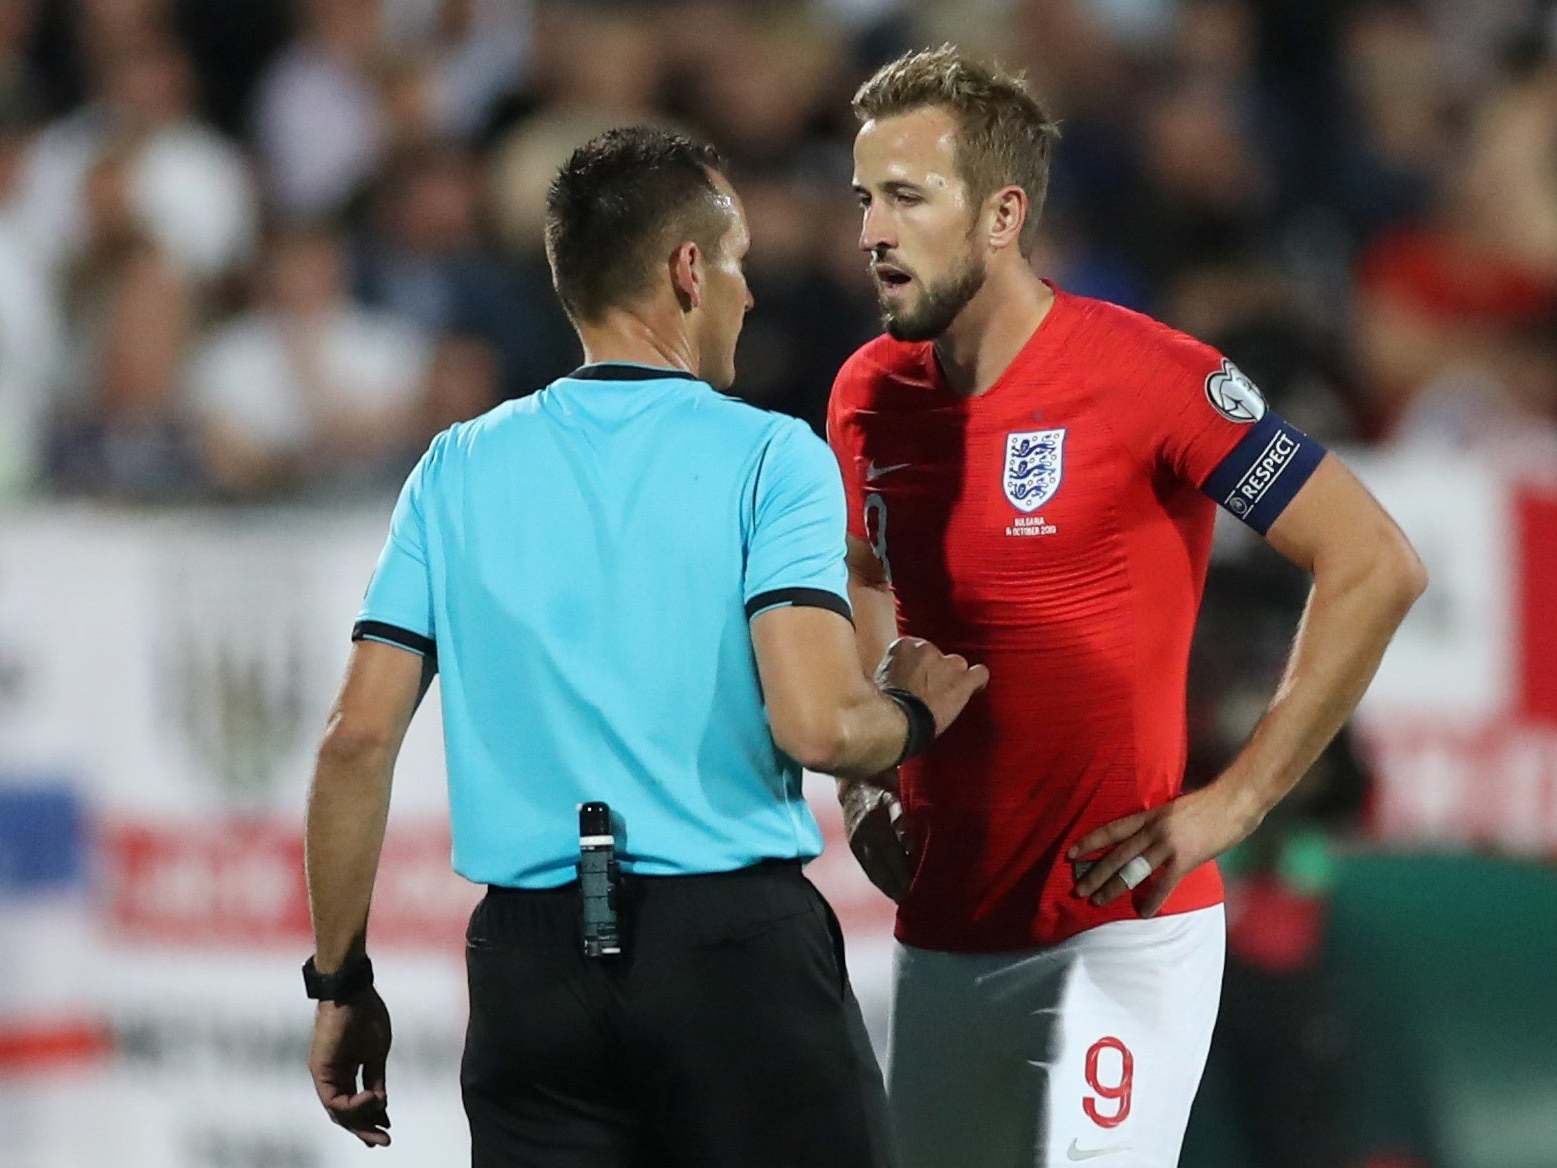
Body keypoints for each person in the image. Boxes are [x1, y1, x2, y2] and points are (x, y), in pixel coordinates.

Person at [301, 125, 989, 1168]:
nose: (749, 294)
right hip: (730, 953)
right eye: (739, 262)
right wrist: (913, 711)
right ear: (686, 271)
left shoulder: (454, 470)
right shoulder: (770, 457)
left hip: (528, 973)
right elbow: (815, 721)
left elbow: (355, 739)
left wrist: (340, 982)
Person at [826, 46, 1427, 1168]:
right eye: (864, 198)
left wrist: (1236, 803)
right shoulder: (866, 393)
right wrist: (867, 773)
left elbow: (1374, 561)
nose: (871, 232)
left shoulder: (1152, 375)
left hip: (1126, 926)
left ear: (1003, 214)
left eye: (906, 197)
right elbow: (865, 571)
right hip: (947, 928)